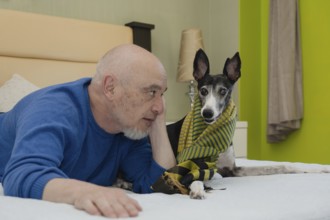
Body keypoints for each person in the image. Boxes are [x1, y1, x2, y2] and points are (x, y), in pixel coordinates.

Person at [0, 44, 176, 218]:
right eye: (151, 91)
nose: (160, 106)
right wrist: (84, 192)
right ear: (110, 88)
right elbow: (21, 174)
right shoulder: (54, 109)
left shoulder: (129, 127)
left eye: (162, 94)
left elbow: (161, 185)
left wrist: (158, 123)